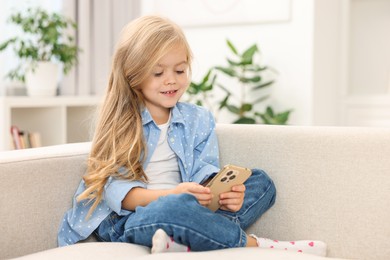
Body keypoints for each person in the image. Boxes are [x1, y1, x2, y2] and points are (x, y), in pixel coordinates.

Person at [58, 15, 326, 256]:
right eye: (158, 72)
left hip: (191, 205)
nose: (171, 80)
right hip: (134, 217)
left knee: (262, 183)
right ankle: (253, 243)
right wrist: (173, 195)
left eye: (180, 70)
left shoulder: (198, 119)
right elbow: (119, 194)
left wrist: (224, 195)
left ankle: (186, 239)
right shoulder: (122, 122)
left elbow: (203, 173)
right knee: (174, 210)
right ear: (134, 75)